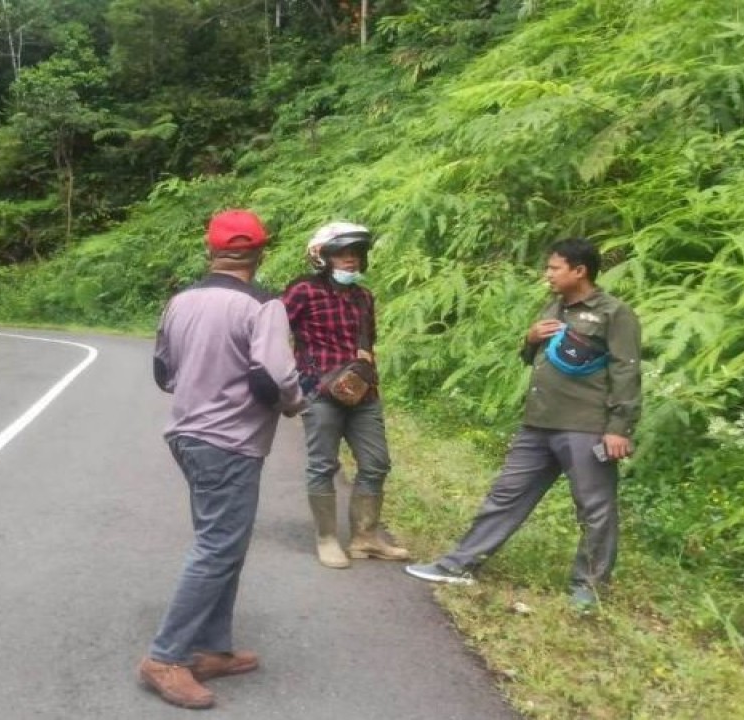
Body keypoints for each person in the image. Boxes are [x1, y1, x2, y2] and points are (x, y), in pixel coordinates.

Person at [404, 237, 642, 610]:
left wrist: (618, 427)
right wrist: (530, 339)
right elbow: (532, 358)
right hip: (539, 423)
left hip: (585, 425)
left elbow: (626, 370)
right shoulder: (555, 305)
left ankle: (588, 588)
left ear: (579, 271)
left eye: (554, 268)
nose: (547, 274)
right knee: (505, 495)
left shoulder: (614, 313)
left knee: (595, 508)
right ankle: (458, 565)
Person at [138, 209, 306, 710]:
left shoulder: (180, 300)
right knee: (217, 547)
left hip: (188, 436)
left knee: (223, 544)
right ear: (260, 252)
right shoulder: (263, 305)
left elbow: (163, 371)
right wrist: (297, 403)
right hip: (230, 441)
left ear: (211, 251)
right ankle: (164, 657)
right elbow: (273, 379)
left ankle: (213, 648)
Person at [281, 222, 409, 569]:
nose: (351, 260)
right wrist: (292, 378)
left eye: (356, 254)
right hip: (318, 392)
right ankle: (326, 538)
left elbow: (368, 342)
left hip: (362, 394)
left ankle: (365, 538)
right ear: (321, 256)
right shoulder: (302, 290)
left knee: (377, 462)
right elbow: (276, 332)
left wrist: (367, 376)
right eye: (342, 254)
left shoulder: (363, 297)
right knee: (323, 464)